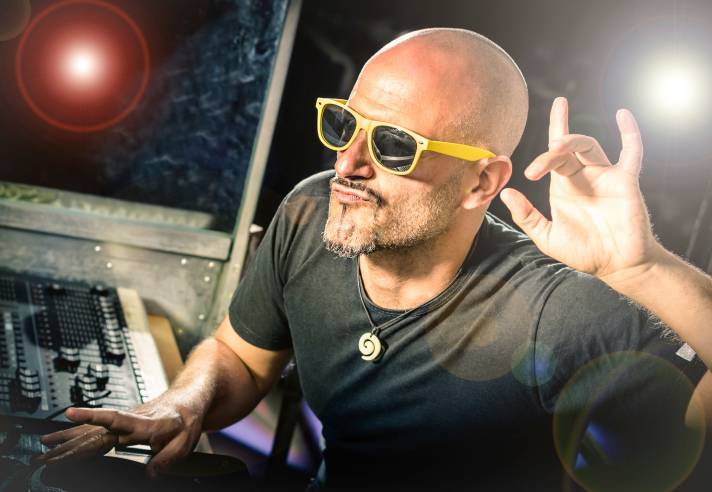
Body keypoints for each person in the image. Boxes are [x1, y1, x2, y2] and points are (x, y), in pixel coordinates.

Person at [38, 28, 712, 490]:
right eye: (343, 125)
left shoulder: (554, 310)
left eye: (393, 145)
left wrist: (642, 269)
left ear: (481, 182)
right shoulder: (310, 213)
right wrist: (183, 404)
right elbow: (241, 355)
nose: (347, 165)